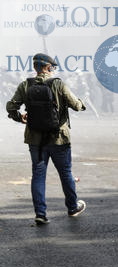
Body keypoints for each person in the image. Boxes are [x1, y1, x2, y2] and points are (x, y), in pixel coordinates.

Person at [5, 52, 87, 225]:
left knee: (38, 175)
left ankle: (40, 214)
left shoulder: (25, 85)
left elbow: (11, 107)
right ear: (48, 67)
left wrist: (20, 118)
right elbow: (77, 105)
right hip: (59, 139)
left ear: (35, 67)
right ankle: (72, 207)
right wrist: (81, 103)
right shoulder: (58, 84)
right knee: (65, 173)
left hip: (36, 140)